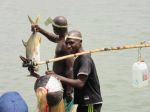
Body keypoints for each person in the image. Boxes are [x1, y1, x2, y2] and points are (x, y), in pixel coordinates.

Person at [46, 30, 103, 112]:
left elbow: (80, 83)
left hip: (90, 103)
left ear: (80, 42)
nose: (68, 46)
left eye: (71, 43)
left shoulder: (85, 58)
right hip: (82, 102)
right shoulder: (77, 58)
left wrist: (57, 76)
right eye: (67, 43)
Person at [32, 16, 74, 108]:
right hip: (59, 82)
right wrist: (40, 30)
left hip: (64, 86)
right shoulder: (63, 38)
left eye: (54, 28)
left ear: (58, 29)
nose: (53, 29)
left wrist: (69, 91)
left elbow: (71, 69)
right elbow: (54, 38)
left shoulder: (65, 45)